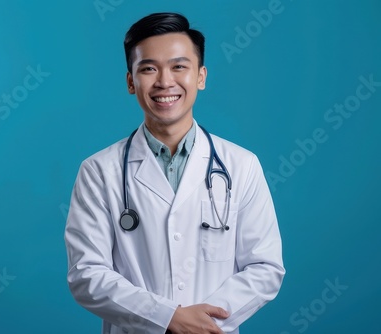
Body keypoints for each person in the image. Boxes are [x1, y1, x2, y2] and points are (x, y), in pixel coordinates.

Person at [64, 12, 285, 334]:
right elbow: (86, 274)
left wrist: (203, 322)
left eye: (179, 67)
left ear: (201, 77)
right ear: (130, 82)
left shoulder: (242, 165)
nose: (165, 82)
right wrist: (167, 317)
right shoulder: (99, 171)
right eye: (149, 68)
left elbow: (265, 267)